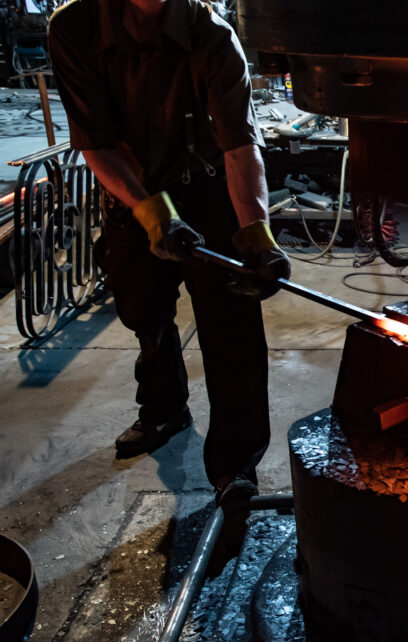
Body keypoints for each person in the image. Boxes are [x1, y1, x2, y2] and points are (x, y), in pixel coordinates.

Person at [47, 0, 290, 506]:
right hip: (133, 193)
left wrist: (255, 231)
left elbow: (239, 145)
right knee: (144, 313)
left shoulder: (211, 35)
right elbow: (97, 141)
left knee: (232, 329)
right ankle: (163, 409)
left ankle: (235, 465)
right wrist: (154, 214)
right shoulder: (75, 29)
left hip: (206, 190)